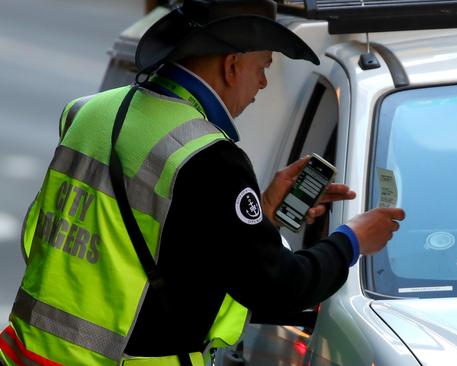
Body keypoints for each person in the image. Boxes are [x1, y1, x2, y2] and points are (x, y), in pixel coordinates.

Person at [0, 0, 405, 365]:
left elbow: (72, 237)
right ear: (232, 66)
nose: (263, 83)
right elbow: (277, 287)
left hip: (26, 353)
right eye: (263, 66)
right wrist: (352, 240)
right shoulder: (209, 158)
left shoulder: (89, 112)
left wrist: (260, 212)